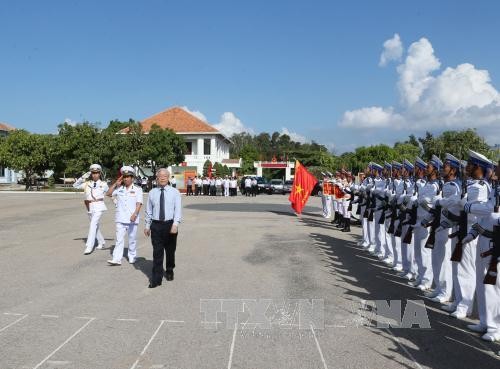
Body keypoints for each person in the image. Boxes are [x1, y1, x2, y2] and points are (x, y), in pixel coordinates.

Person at [144, 168, 182, 288]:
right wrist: (147, 225)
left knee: (170, 252)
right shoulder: (152, 193)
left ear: (168, 177)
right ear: (157, 178)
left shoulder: (175, 192)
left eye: (165, 176)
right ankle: (156, 278)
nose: (162, 178)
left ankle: (170, 269)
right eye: (160, 176)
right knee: (157, 252)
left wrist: (175, 224)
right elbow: (148, 211)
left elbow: (178, 210)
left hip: (170, 225)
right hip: (156, 225)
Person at [106, 166, 143, 265]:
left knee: (132, 239)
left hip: (132, 218)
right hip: (120, 218)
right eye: (124, 177)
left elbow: (139, 203)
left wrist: (135, 214)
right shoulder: (119, 189)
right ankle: (117, 259)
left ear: (132, 178)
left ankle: (132, 256)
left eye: (128, 177)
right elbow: (108, 194)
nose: (126, 179)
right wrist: (115, 184)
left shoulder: (137, 189)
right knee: (119, 240)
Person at [73, 164, 109, 255]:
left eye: (96, 173)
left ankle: (89, 246)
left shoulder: (103, 184)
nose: (94, 175)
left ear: (100, 173)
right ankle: (101, 242)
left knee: (93, 224)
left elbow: (110, 193)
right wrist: (84, 175)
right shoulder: (87, 184)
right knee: (95, 226)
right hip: (89, 206)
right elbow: (75, 185)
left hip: (99, 206)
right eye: (93, 173)